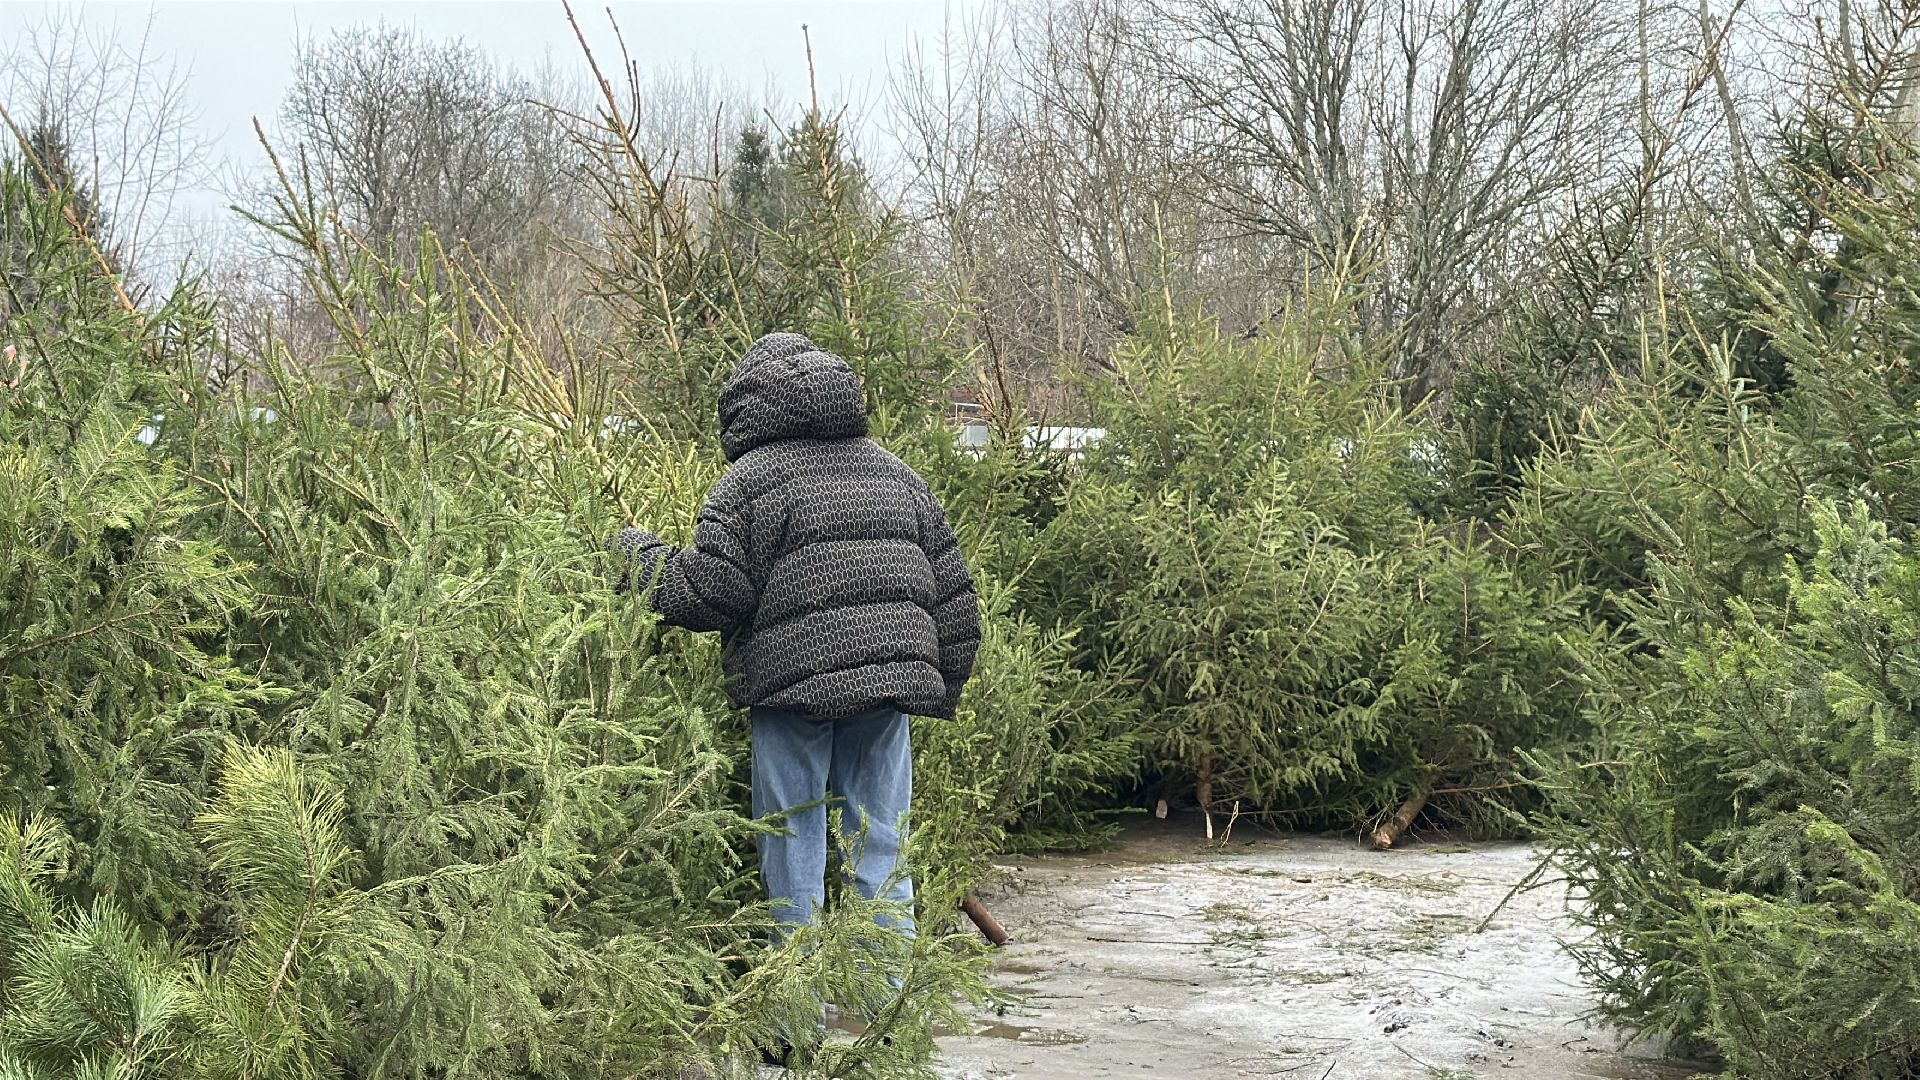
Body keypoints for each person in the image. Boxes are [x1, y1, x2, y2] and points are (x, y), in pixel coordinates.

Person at [609, 330, 981, 960]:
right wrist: (939, 684)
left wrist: (634, 554)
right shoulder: (899, 476)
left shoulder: (750, 482)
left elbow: (711, 590)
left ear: (750, 404)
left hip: (791, 690)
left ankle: (794, 1023)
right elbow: (953, 594)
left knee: (792, 850)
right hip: (888, 692)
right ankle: (888, 1022)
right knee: (882, 851)